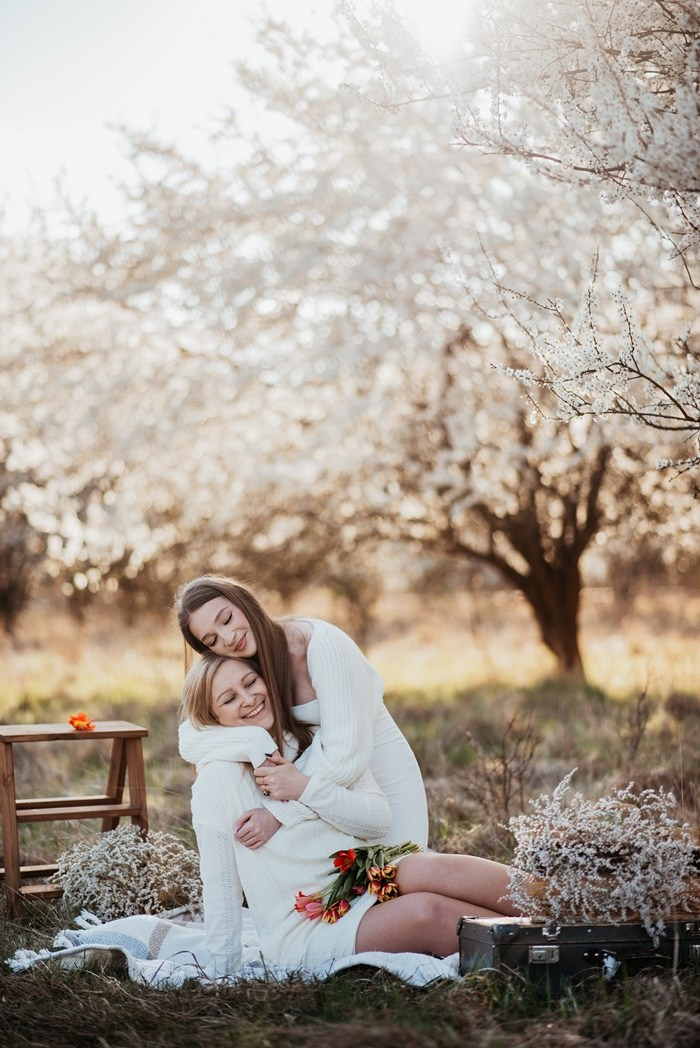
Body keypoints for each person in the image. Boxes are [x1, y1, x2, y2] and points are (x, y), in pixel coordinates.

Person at [182, 653, 519, 977]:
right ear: (212, 718)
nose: (248, 698)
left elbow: (376, 820)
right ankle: (549, 951)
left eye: (251, 681)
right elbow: (220, 884)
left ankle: (565, 906)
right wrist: (223, 970)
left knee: (435, 868)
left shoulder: (317, 739)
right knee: (426, 912)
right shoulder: (217, 781)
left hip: (359, 876)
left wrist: (303, 789)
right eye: (228, 698)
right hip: (306, 927)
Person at [175, 575, 429, 848]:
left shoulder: (323, 645)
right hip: (314, 797)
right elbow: (192, 737)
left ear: (244, 602)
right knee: (360, 887)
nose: (227, 638)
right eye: (212, 640)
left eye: (226, 619)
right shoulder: (246, 671)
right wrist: (253, 744)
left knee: (402, 872)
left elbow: (346, 758)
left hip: (376, 777)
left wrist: (279, 812)